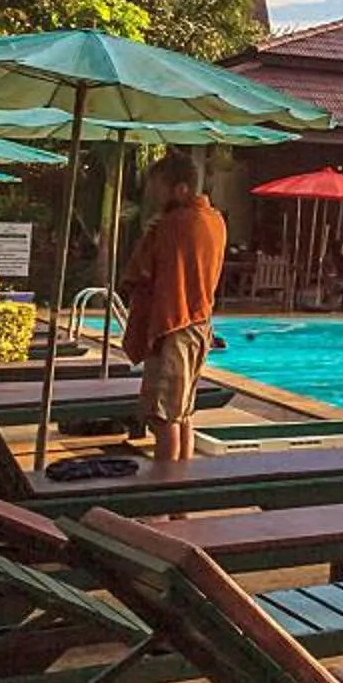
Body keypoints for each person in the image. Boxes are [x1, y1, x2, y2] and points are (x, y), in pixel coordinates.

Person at [118, 153, 227, 460]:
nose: (154, 198)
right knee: (183, 414)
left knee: (163, 419)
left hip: (172, 327)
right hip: (199, 325)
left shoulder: (172, 226)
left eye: (158, 189)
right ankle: (179, 486)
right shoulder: (215, 220)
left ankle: (164, 486)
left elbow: (139, 272)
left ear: (180, 189)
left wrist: (151, 232)